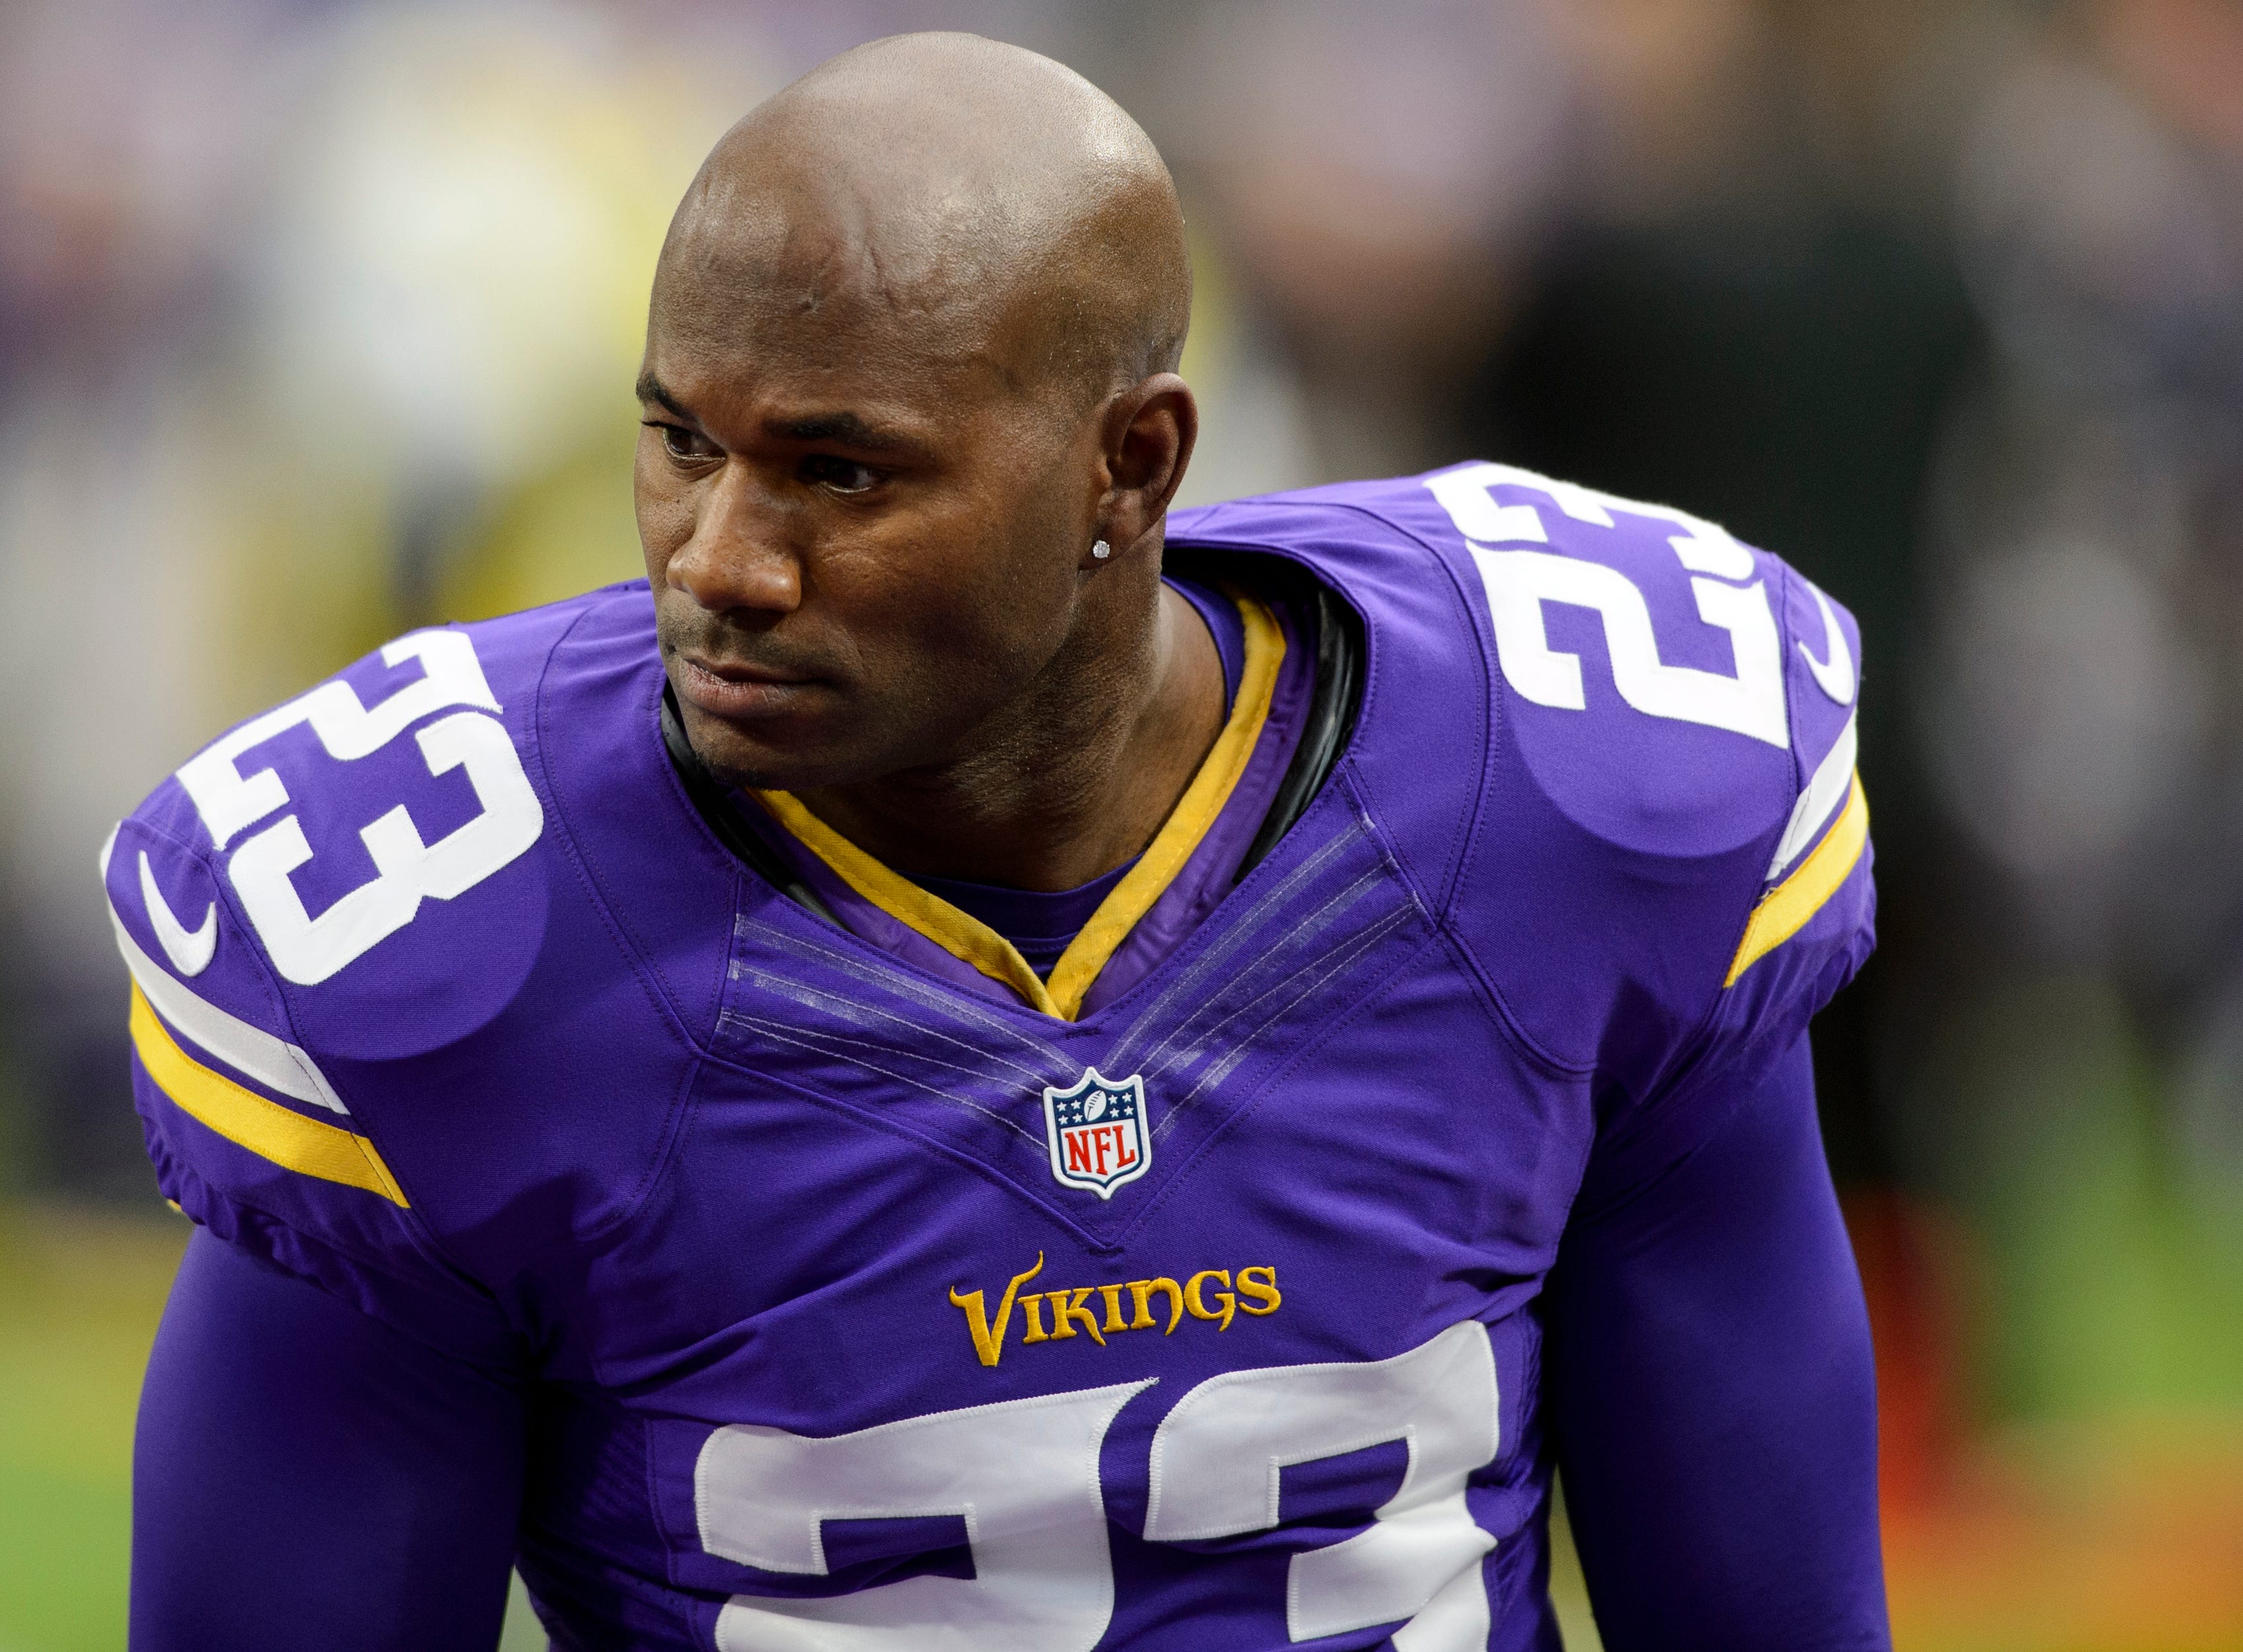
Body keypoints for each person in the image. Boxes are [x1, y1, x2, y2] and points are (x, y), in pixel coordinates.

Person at [110, 33, 1887, 1652]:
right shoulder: (446, 935)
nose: (719, 558)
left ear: (1133, 463)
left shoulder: (1564, 791)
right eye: (679, 439)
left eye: (843, 470)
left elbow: (1768, 1605)